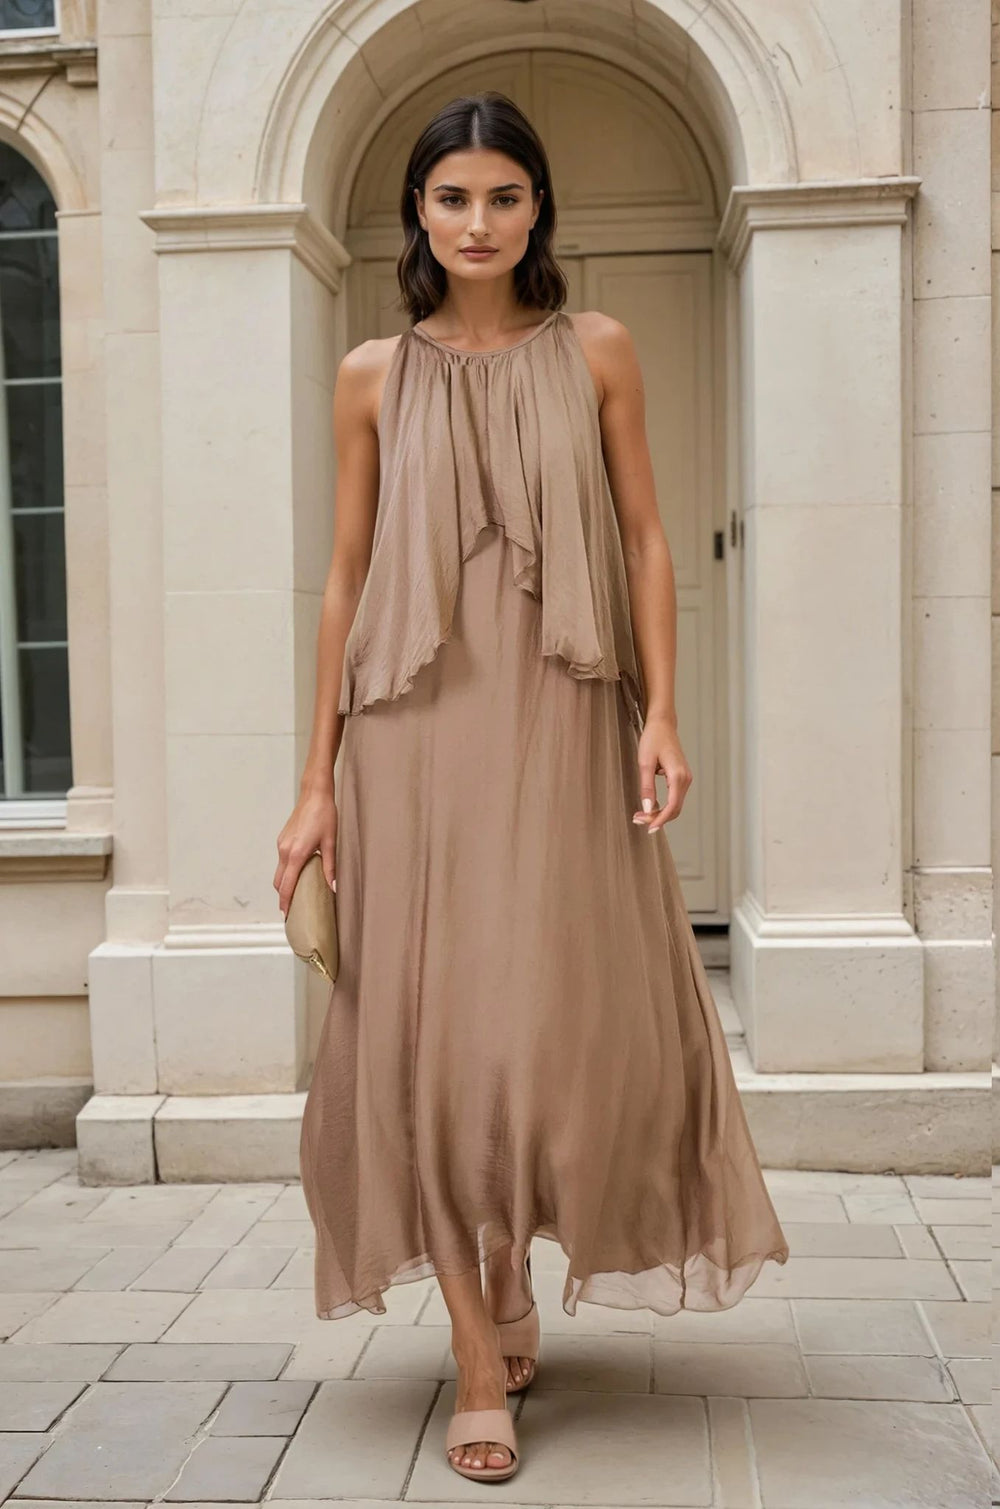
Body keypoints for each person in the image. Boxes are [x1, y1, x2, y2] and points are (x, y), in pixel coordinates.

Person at [274, 90, 789, 1485]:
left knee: (543, 1028)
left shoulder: (599, 350)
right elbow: (343, 582)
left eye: (505, 196)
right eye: (454, 199)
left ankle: (512, 1265)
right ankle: (468, 1342)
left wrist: (664, 711)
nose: (480, 222)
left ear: (538, 209)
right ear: (420, 218)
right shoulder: (373, 373)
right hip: (413, 735)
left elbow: (645, 538)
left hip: (565, 719)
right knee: (426, 1043)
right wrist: (313, 780)